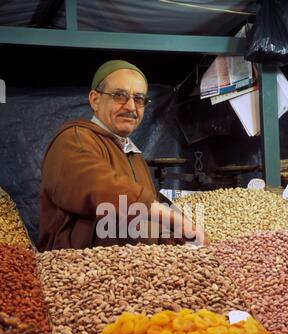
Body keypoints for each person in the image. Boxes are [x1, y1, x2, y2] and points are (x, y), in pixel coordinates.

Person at [39, 60, 207, 251]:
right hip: (81, 273)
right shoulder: (73, 139)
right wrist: (172, 218)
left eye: (139, 99)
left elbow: (148, 218)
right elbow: (97, 186)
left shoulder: (133, 155)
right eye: (120, 96)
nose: (131, 107)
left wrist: (181, 240)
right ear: (95, 100)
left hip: (135, 273)